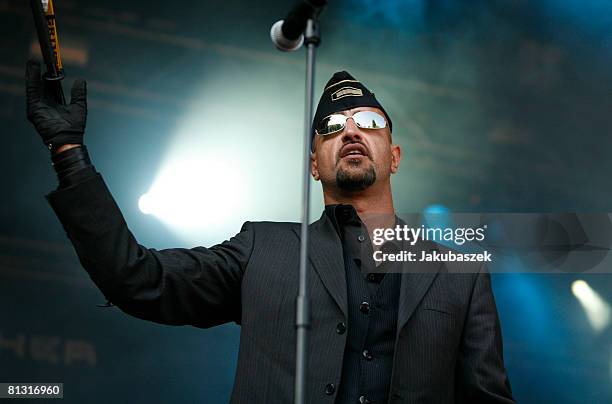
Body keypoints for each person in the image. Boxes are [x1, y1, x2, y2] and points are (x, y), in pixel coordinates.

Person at [26, 61, 515, 404]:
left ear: (394, 155)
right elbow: (137, 278)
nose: (350, 131)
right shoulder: (264, 248)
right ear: (313, 166)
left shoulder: (458, 271)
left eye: (369, 122)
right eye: (330, 126)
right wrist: (70, 152)